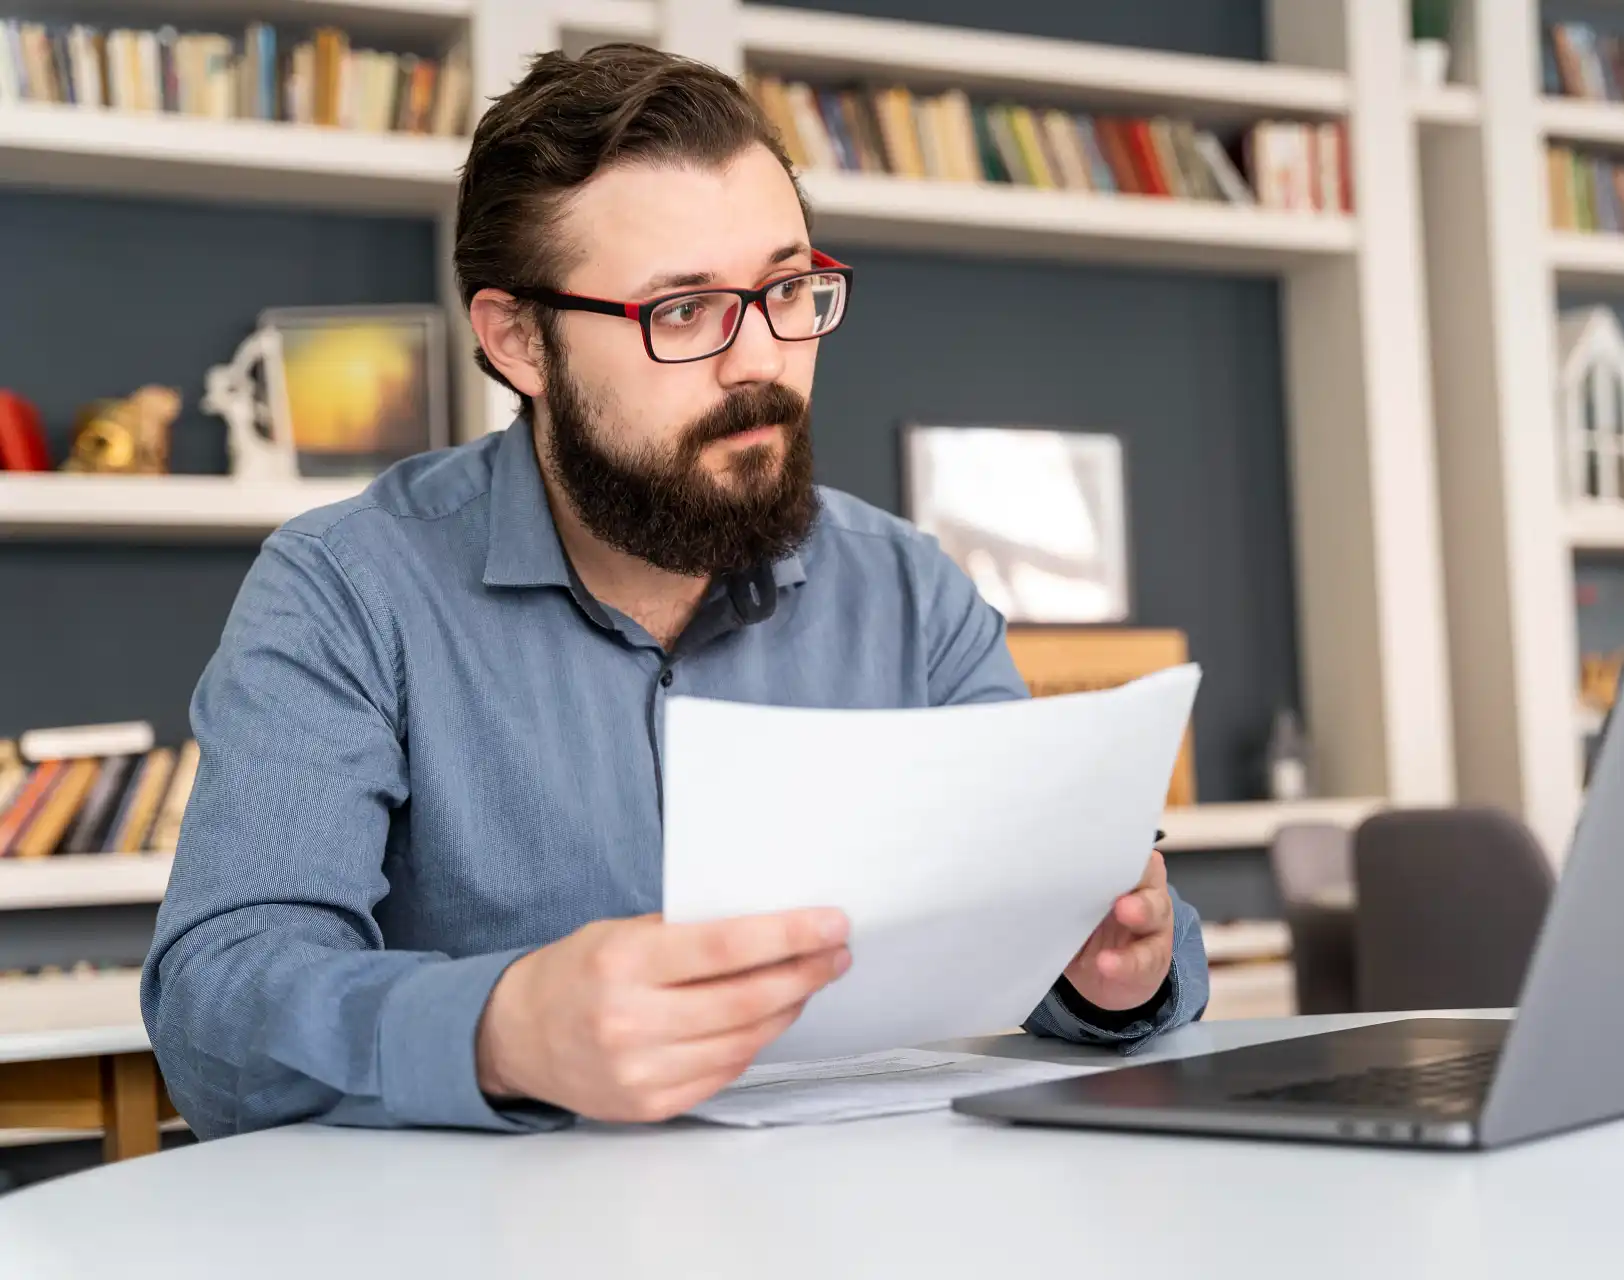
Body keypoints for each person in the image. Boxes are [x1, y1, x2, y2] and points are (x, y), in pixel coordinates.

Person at [142, 43, 1208, 1137]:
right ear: (519, 342)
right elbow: (218, 1006)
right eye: (685, 310)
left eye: (787, 288)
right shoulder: (345, 590)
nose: (761, 360)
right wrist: (502, 1029)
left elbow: (1070, 929)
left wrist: (1112, 967)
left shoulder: (908, 592)